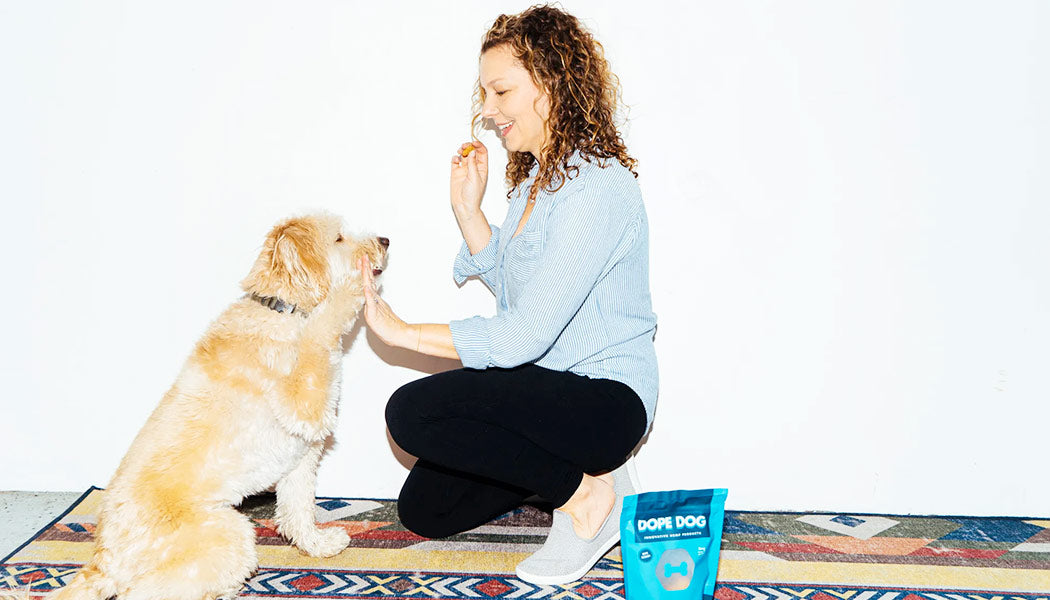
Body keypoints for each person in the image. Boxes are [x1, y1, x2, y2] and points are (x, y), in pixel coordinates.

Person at [356, 5, 658, 585]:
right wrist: (470, 214)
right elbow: (524, 298)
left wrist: (401, 332)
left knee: (409, 412)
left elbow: (521, 335)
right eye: (485, 95)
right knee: (426, 509)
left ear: (551, 81)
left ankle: (587, 496)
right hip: (544, 397)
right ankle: (587, 475)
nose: (488, 113)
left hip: (604, 401)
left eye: (501, 92)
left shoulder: (599, 189)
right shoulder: (535, 184)